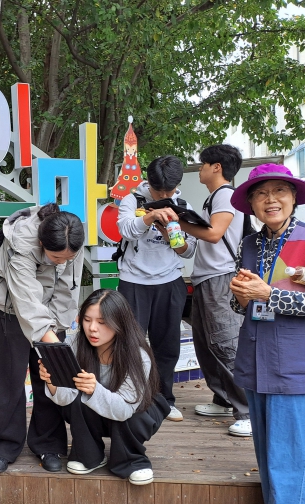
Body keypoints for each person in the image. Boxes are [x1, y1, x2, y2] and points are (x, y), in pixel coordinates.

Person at [228, 163, 305, 504]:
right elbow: (240, 304)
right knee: (270, 465)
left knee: (292, 470)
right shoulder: (249, 244)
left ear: (293, 197)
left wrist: (270, 295)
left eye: (279, 191)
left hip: (300, 368)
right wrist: (242, 297)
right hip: (258, 362)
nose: (270, 200)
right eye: (261, 194)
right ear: (251, 204)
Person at [0, 203, 84, 474]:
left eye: (68, 258)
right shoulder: (22, 241)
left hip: (51, 315)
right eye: (56, 257)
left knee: (50, 379)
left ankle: (49, 444)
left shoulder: (73, 240)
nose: (62, 262)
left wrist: (57, 328)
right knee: (7, 380)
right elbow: (25, 299)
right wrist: (51, 340)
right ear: (41, 242)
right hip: (10, 310)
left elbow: (68, 288)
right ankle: (1, 446)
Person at [39, 289, 169, 484]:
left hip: (134, 412)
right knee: (78, 399)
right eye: (87, 320)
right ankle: (89, 456)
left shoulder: (137, 354)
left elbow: (125, 409)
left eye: (102, 322)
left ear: (119, 323)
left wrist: (95, 389)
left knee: (133, 412)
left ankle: (132, 461)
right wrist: (52, 381)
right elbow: (65, 399)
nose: (92, 328)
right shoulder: (75, 343)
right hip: (94, 413)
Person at [116, 155, 197, 422]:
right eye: (157, 190)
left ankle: (164, 400)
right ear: (147, 181)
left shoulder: (183, 206)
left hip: (170, 282)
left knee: (167, 345)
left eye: (169, 191)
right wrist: (150, 216)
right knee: (130, 344)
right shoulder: (132, 200)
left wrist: (171, 235)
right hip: (133, 282)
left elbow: (189, 250)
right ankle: (132, 397)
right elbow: (126, 230)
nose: (163, 195)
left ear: (177, 185)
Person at [178, 144, 251, 437]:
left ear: (216, 167)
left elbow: (214, 233)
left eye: (203, 164)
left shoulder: (226, 195)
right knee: (206, 343)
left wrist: (179, 221)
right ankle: (223, 399)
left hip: (221, 278)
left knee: (224, 342)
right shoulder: (213, 197)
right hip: (206, 278)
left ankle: (247, 411)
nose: (200, 169)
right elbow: (196, 242)